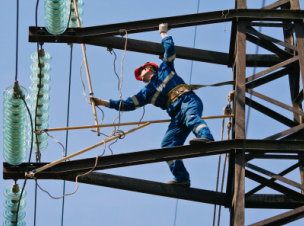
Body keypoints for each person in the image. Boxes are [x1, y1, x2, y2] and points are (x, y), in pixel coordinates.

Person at [91, 23, 214, 187]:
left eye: (140, 72)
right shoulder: (147, 92)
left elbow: (169, 49)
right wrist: (102, 102)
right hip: (176, 115)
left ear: (149, 68)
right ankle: (182, 178)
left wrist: (163, 33)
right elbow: (127, 104)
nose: (139, 76)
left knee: (191, 118)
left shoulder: (165, 68)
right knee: (167, 145)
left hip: (186, 100)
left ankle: (206, 137)